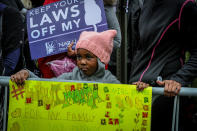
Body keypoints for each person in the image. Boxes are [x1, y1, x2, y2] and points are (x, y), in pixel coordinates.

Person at [128, 0, 197, 130]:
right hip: (138, 92)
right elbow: (139, 50)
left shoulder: (185, 5)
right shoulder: (144, 4)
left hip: (164, 95)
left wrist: (178, 79)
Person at [37, 0, 121, 78]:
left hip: (89, 76)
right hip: (54, 74)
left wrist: (83, 51)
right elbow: (39, 42)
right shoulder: (51, 2)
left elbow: (116, 41)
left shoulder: (98, 2)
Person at [11, 30, 121, 84]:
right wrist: (27, 74)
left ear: (100, 59)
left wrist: (138, 88)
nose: (82, 62)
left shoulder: (110, 81)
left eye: (88, 57)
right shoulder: (70, 77)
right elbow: (45, 85)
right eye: (78, 57)